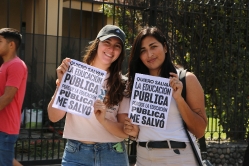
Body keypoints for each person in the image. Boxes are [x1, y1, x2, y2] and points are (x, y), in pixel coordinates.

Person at [47, 24, 130, 166]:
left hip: (113, 154)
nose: (111, 49)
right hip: (76, 154)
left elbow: (124, 131)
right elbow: (54, 117)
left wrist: (103, 120)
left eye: (117, 46)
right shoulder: (74, 73)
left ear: (121, 52)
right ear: (97, 44)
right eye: (107, 43)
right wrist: (62, 83)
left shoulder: (123, 83)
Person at [123, 26, 207, 166]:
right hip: (144, 157)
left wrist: (179, 99)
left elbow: (199, 131)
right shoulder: (134, 83)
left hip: (179, 157)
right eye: (143, 50)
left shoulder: (186, 79)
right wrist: (133, 131)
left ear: (165, 48)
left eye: (153, 47)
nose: (149, 54)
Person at [0, 28, 28, 166]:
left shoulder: (16, 65)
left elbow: (7, 97)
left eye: (0, 41)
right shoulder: (5, 65)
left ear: (11, 45)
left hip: (6, 128)